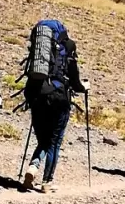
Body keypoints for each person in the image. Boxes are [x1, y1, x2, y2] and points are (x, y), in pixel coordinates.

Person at [22, 25, 89, 193]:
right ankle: (47, 182)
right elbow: (75, 82)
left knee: (43, 140)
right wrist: (84, 87)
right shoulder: (68, 48)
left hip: (36, 96)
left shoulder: (39, 53)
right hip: (59, 99)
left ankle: (33, 166)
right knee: (54, 142)